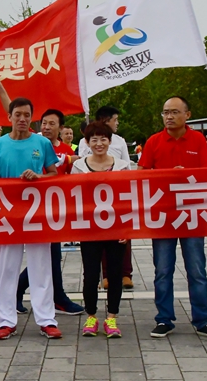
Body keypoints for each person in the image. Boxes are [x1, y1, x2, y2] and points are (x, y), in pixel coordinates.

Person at [138, 97, 207, 339]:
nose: (169, 117)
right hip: (163, 216)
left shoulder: (197, 140)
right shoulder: (154, 141)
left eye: (175, 112)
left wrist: (187, 176)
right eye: (165, 112)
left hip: (192, 214)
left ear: (187, 115)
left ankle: (202, 319)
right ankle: (164, 319)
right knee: (162, 270)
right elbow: (142, 175)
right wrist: (165, 175)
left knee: (197, 269)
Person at [0, 97, 62, 340]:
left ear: (32, 118)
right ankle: (6, 320)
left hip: (38, 214)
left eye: (27, 115)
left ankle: (47, 320)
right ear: (9, 117)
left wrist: (38, 178)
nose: (22, 119)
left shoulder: (42, 143)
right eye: (18, 114)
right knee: (6, 268)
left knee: (41, 267)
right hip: (9, 215)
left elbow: (54, 175)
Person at [15, 109, 83, 316]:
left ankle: (19, 291)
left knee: (50, 255)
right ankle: (56, 297)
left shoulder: (64, 150)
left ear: (61, 129)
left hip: (57, 209)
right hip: (34, 209)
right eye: (44, 123)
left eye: (51, 124)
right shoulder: (32, 143)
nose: (46, 127)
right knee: (48, 255)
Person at [72, 122, 131, 338]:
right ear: (87, 143)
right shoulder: (78, 167)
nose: (99, 143)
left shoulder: (123, 165)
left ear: (110, 140)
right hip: (89, 229)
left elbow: (128, 198)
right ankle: (91, 316)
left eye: (103, 139)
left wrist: (126, 229)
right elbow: (73, 199)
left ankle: (112, 317)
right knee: (90, 274)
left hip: (115, 228)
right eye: (94, 139)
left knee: (115, 274)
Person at [79, 106, 134, 290]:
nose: (99, 144)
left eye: (103, 139)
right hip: (91, 206)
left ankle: (125, 274)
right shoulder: (83, 144)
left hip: (116, 203)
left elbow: (128, 171)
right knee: (95, 249)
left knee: (120, 243)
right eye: (115, 119)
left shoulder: (120, 142)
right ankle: (105, 277)